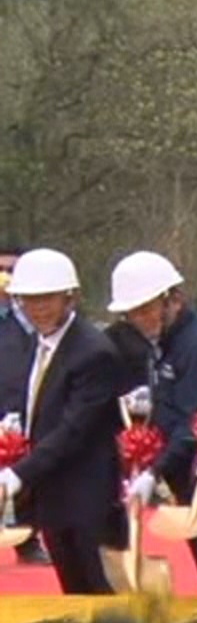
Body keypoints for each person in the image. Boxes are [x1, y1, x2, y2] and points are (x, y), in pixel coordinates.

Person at [111, 250, 197, 595]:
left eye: (146, 309)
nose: (140, 319)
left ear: (172, 299)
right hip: (186, 473)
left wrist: (154, 471)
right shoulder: (164, 343)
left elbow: (194, 424)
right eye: (133, 313)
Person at [0, 250, 122, 594]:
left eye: (47, 299)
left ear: (70, 297)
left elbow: (74, 429)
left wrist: (18, 473)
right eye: (29, 300)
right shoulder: (34, 344)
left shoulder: (93, 351)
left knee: (101, 593)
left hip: (88, 498)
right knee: (73, 594)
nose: (38, 308)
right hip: (51, 497)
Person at [0, 243, 50, 568]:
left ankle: (28, 540)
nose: (5, 276)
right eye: (1, 270)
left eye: (12, 270)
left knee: (27, 474)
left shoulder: (36, 316)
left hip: (27, 405)